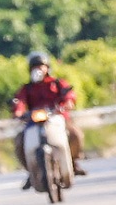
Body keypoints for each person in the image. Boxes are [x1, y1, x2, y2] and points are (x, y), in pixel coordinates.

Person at [12, 51, 86, 188]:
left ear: (47, 68)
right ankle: (31, 170)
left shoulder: (57, 83)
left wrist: (68, 102)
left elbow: (69, 94)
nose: (38, 70)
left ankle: (73, 162)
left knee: (76, 134)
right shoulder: (27, 88)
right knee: (19, 141)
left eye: (41, 66)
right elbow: (19, 101)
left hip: (57, 119)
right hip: (34, 122)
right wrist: (18, 111)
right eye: (34, 67)